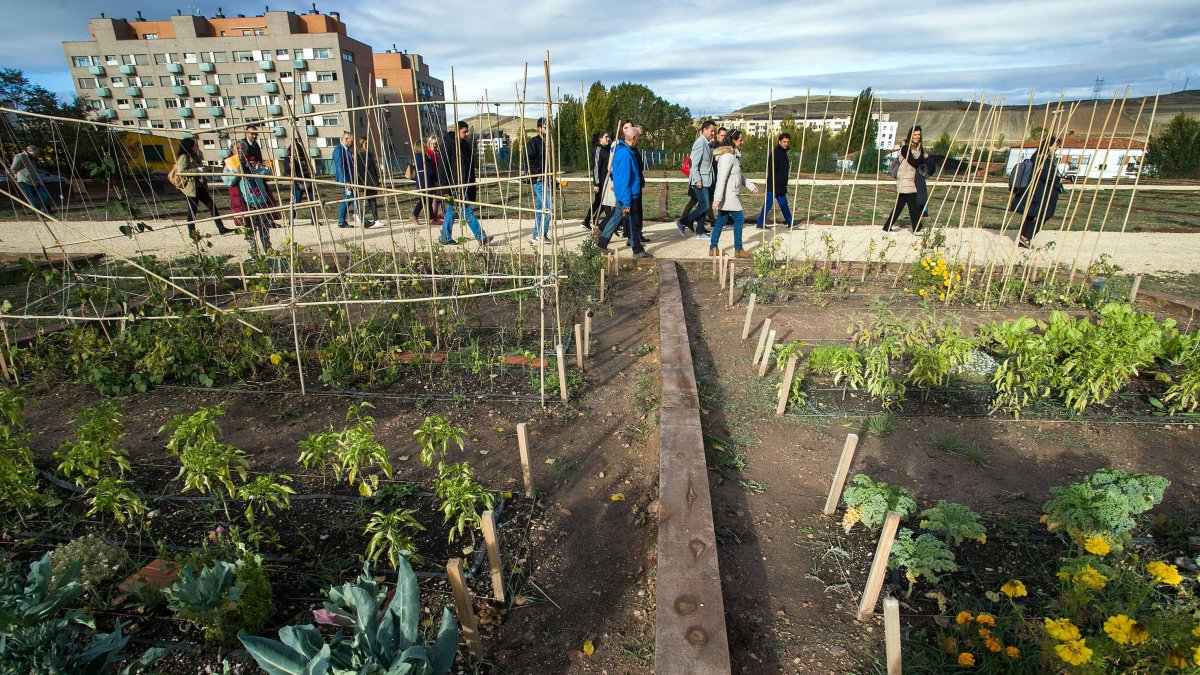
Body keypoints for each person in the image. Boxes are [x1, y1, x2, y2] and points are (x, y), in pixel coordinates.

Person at [597, 125, 651, 259]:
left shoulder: (623, 150)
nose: (640, 140)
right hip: (629, 195)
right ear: (633, 138)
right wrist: (627, 202)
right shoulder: (626, 154)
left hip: (624, 194)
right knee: (633, 221)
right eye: (639, 138)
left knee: (616, 218)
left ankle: (601, 243)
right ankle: (637, 250)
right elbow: (625, 179)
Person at [437, 121, 491, 245]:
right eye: (464, 132)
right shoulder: (447, 145)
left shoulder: (465, 145)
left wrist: (472, 184)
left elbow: (470, 166)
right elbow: (442, 168)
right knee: (467, 211)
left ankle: (444, 237)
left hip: (465, 184)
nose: (466, 134)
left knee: (451, 211)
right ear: (457, 131)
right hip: (455, 185)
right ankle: (481, 237)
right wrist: (445, 190)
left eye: (467, 132)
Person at [709, 129, 758, 258]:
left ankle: (713, 247)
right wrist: (717, 198)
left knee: (721, 220)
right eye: (740, 139)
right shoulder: (727, 157)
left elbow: (739, 176)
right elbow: (722, 178)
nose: (742, 142)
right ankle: (738, 249)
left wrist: (751, 186)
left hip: (731, 194)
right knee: (739, 218)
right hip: (728, 195)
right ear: (733, 140)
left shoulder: (734, 156)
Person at [1009, 135, 1063, 248]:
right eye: (1056, 146)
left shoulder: (1037, 157)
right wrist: (1058, 181)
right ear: (1049, 146)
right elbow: (1047, 176)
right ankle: (1027, 236)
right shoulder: (1045, 159)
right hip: (1042, 192)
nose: (1057, 148)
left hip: (1036, 191)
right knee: (1045, 214)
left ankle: (1023, 238)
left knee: (1031, 214)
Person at [173, 137, 231, 236]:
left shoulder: (195, 156)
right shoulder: (184, 157)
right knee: (192, 211)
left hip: (200, 186)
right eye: (195, 145)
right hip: (191, 187)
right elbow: (181, 172)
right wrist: (197, 170)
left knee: (211, 206)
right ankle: (192, 232)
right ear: (190, 147)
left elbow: (200, 165)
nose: (197, 146)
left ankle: (221, 228)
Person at [224, 143, 274, 255]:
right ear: (232, 150)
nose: (240, 151)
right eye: (237, 148)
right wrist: (236, 172)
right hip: (246, 202)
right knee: (249, 229)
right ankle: (253, 253)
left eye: (243, 148)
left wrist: (257, 170)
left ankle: (268, 249)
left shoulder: (253, 162)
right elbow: (228, 181)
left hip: (260, 200)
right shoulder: (230, 165)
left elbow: (268, 174)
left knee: (264, 227)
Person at [882, 125, 928, 234]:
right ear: (910, 135)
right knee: (913, 204)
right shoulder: (905, 148)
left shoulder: (919, 147)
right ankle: (917, 228)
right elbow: (914, 162)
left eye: (918, 135)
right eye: (915, 134)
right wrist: (924, 157)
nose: (917, 137)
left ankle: (887, 227)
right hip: (905, 178)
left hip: (913, 179)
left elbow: (920, 163)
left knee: (900, 205)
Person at [677, 120, 716, 237]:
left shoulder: (707, 143)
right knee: (705, 205)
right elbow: (693, 164)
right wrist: (698, 180)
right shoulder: (700, 143)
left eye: (714, 131)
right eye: (711, 131)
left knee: (703, 205)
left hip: (706, 181)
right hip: (700, 181)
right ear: (704, 130)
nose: (713, 133)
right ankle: (682, 221)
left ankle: (700, 231)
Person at [756, 133, 794, 229]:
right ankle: (760, 223)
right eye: (784, 142)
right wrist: (774, 185)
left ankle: (790, 222)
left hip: (780, 185)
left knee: (783, 203)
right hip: (774, 184)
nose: (786, 144)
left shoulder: (783, 152)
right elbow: (772, 170)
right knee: (768, 203)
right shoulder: (776, 153)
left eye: (787, 142)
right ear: (779, 142)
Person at [526, 117, 552, 243]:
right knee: (548, 208)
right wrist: (537, 173)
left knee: (540, 207)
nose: (548, 130)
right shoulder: (533, 143)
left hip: (547, 179)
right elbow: (529, 160)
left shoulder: (548, 142)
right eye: (545, 128)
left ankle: (536, 234)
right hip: (539, 180)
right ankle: (542, 234)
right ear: (539, 128)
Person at [10, 145, 54, 215]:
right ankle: (38, 212)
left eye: (37, 153)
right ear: (29, 151)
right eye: (35, 153)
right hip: (25, 180)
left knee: (45, 195)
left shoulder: (32, 158)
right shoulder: (20, 156)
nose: (37, 155)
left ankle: (48, 211)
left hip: (36, 180)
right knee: (32, 198)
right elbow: (13, 168)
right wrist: (15, 174)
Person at [582, 130, 612, 230]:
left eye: (608, 137)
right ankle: (587, 221)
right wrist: (596, 183)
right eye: (606, 137)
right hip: (601, 182)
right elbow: (596, 168)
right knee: (600, 202)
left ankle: (591, 220)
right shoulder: (598, 149)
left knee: (602, 203)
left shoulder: (606, 149)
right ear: (600, 139)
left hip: (607, 181)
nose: (608, 139)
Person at [411, 134, 440, 224]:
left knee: (428, 200)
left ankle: (431, 219)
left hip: (422, 180)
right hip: (426, 181)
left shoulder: (417, 156)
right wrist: (435, 179)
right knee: (424, 199)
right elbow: (429, 169)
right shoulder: (424, 157)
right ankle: (414, 215)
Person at [332, 131, 357, 228]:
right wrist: (345, 181)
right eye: (352, 141)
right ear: (346, 139)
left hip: (350, 180)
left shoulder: (347, 150)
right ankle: (363, 220)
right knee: (353, 198)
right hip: (345, 180)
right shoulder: (339, 150)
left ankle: (341, 221)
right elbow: (340, 167)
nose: (352, 143)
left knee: (348, 199)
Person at [357, 136, 382, 227]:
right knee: (371, 201)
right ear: (361, 144)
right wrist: (362, 182)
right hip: (367, 181)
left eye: (368, 143)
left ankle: (375, 219)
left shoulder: (370, 154)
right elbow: (360, 170)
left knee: (373, 200)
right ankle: (360, 214)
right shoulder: (360, 155)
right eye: (365, 143)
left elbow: (374, 168)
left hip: (373, 180)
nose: (367, 145)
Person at [287, 142, 314, 206]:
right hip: (298, 182)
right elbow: (288, 170)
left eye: (297, 149)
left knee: (312, 201)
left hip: (308, 180)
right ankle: (294, 214)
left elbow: (309, 168)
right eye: (294, 150)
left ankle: (313, 214)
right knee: (296, 201)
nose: (295, 151)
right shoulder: (289, 159)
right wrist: (293, 162)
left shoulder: (304, 158)